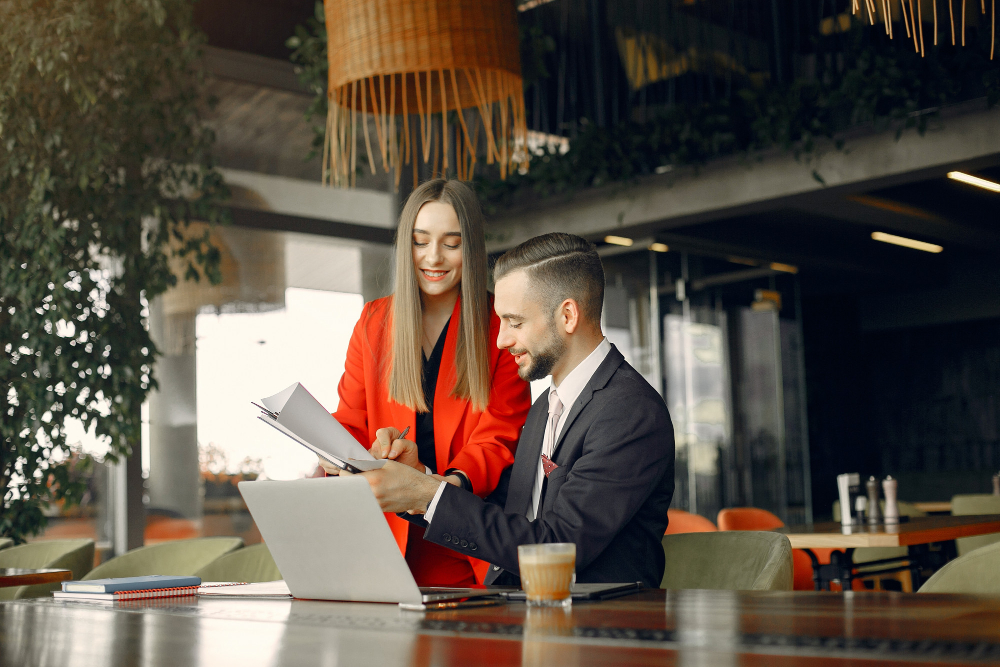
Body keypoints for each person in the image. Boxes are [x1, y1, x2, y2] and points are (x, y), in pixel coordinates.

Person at [346, 232, 675, 587]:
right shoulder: (542, 411)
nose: (502, 340)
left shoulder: (629, 412)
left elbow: (559, 548)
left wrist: (426, 494)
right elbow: (500, 518)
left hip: (598, 632)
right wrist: (422, 481)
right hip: (528, 622)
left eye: (515, 322)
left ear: (567, 315)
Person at [324, 179, 531, 587]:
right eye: (420, 242)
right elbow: (349, 420)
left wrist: (434, 490)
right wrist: (346, 454)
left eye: (451, 244)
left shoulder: (500, 325)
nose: (433, 257)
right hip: (382, 541)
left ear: (470, 248)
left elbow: (499, 437)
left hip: (463, 540)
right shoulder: (374, 322)